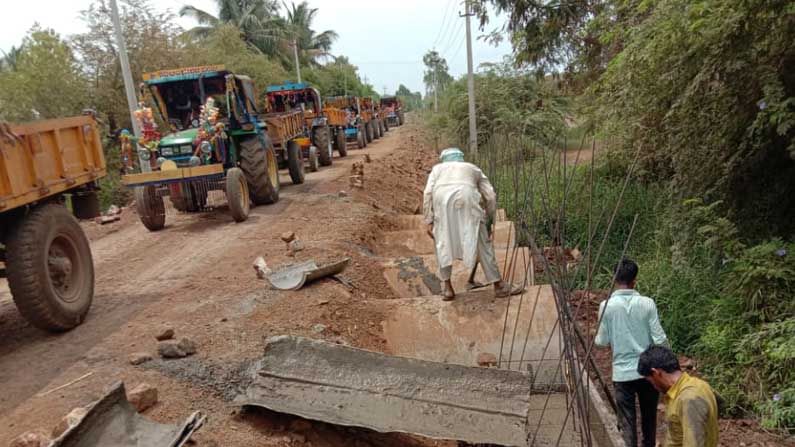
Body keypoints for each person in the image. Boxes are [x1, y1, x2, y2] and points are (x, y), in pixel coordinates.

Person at [422, 148, 524, 301]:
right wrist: (489, 220)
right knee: (483, 244)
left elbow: (427, 193)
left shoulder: (437, 170)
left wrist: (428, 219)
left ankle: (448, 288)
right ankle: (499, 286)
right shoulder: (472, 168)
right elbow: (490, 196)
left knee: (443, 243)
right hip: (468, 199)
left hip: (441, 203)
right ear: (461, 158)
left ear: (444, 159)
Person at [595, 258, 669, 447]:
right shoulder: (647, 303)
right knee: (649, 420)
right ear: (635, 280)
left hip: (622, 374)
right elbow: (660, 339)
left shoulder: (606, 306)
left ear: (614, 279)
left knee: (627, 424)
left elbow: (601, 342)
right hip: (648, 372)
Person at [638, 345, 719, 447]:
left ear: (656, 373)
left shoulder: (688, 399)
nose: (654, 387)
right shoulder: (699, 384)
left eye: (651, 381)